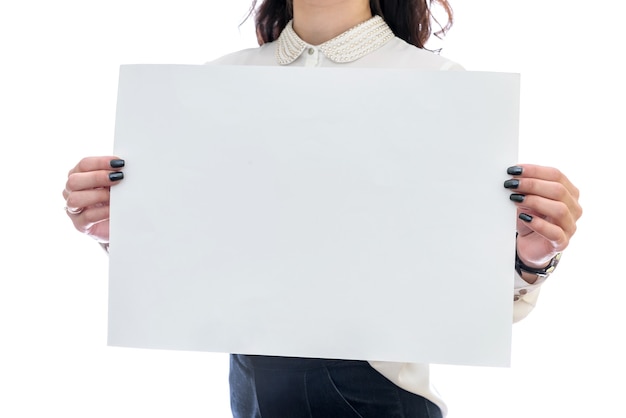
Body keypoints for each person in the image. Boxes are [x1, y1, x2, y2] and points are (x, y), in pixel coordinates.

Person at [62, 1, 583, 417]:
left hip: (380, 394)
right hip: (251, 388)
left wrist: (530, 257)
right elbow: (196, 263)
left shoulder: (443, 85)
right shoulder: (217, 83)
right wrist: (123, 230)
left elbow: (476, 306)